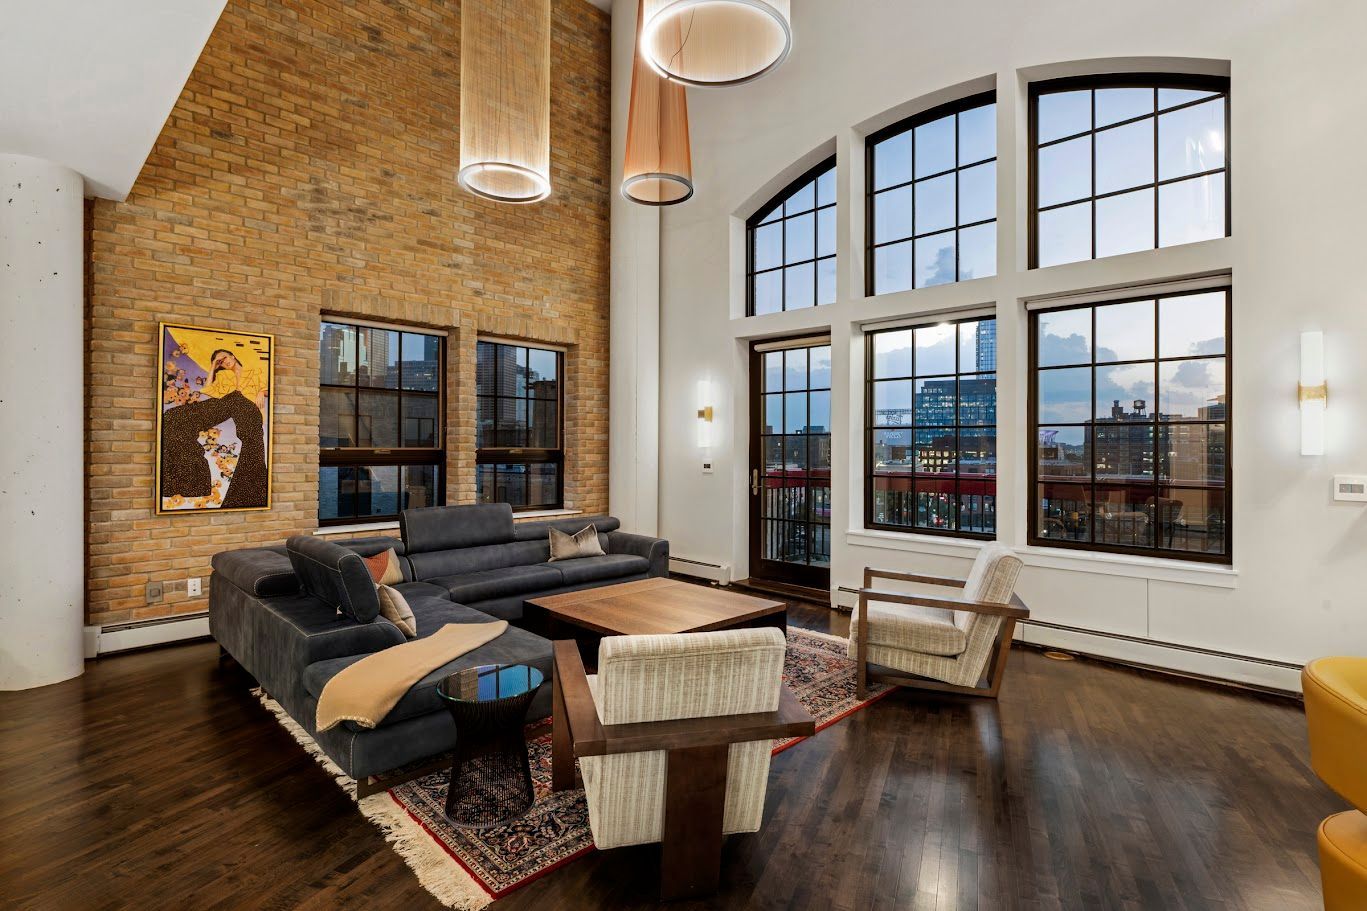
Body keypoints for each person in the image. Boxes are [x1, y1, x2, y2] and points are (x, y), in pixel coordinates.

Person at [160, 346, 269, 510]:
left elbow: (274, 386)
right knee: (173, 416)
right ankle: (189, 483)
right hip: (227, 404)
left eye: (224, 357)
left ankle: (247, 495)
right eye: (220, 362)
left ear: (232, 354)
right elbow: (207, 390)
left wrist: (262, 391)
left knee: (251, 440)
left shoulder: (254, 371)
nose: (224, 362)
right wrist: (213, 366)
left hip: (248, 408)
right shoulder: (225, 376)